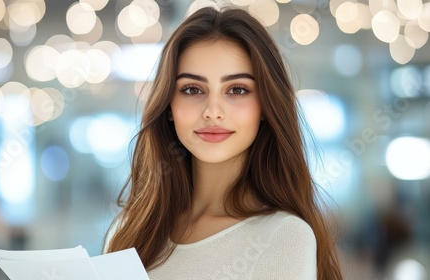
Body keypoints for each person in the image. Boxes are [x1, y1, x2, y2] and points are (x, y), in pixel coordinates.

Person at [105, 5, 343, 280]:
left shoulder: (284, 237)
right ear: (169, 105)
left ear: (265, 106)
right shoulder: (129, 230)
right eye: (192, 89)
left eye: (237, 90)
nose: (213, 111)